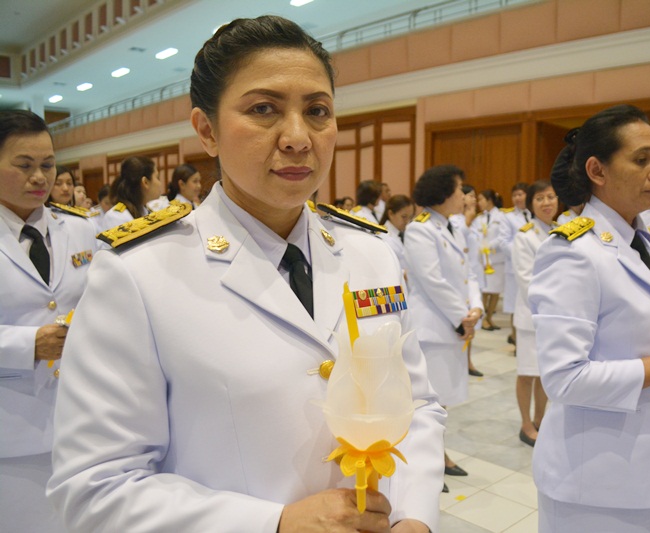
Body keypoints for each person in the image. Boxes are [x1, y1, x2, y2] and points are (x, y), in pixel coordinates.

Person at [46, 16, 445, 533]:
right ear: (207, 131)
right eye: (263, 109)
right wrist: (271, 523)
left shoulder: (371, 253)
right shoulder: (140, 275)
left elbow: (417, 406)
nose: (298, 138)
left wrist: (414, 516)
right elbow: (93, 487)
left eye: (317, 111)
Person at [529, 104, 650, 533]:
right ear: (597, 170)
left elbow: (644, 340)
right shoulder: (573, 252)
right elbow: (563, 378)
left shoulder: (645, 241)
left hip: (647, 462)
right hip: (594, 476)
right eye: (640, 160)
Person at [0, 109, 98, 533]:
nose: (39, 177)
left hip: (82, 419)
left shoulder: (81, 230)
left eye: (47, 164)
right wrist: (26, 345)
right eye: (23, 165)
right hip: (11, 430)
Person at [404, 164, 483, 491]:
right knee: (427, 403)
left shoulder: (454, 227)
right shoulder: (420, 229)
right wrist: (462, 316)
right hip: (433, 328)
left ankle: (438, 455)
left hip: (453, 324)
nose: (465, 195)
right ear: (443, 193)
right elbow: (431, 280)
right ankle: (427, 465)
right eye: (460, 189)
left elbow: (470, 273)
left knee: (442, 400)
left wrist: (475, 307)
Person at [512, 179, 557, 447]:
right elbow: (527, 280)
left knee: (544, 373)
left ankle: (540, 419)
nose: (546, 203)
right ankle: (526, 423)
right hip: (533, 314)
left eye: (550, 197)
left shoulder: (561, 231)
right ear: (531, 204)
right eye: (540, 198)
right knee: (527, 372)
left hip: (555, 315)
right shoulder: (525, 236)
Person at [450, 183, 485, 377]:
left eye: (475, 196)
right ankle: (464, 361)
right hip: (460, 277)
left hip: (474, 273)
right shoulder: (455, 220)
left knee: (474, 319)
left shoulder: (476, 219)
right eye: (470, 195)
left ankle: (468, 359)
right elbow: (458, 242)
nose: (473, 199)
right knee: (464, 320)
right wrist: (468, 221)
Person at [500, 183, 531, 346]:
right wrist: (523, 252)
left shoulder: (534, 214)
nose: (518, 198)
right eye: (515, 195)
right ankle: (515, 339)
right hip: (514, 268)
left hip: (533, 267)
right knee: (514, 304)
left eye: (521, 194)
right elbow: (504, 242)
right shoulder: (508, 217)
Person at [472, 189, 507, 330]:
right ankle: (483, 318)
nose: (478, 203)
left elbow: (503, 235)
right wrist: (481, 247)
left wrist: (489, 246)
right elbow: (475, 235)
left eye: (481, 199)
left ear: (489, 200)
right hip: (483, 259)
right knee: (485, 290)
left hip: (496, 258)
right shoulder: (478, 218)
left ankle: (489, 317)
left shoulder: (502, 216)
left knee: (495, 291)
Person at [100, 155, 163, 231]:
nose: (160, 183)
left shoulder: (145, 210)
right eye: (157, 177)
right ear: (145, 182)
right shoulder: (117, 217)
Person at [378, 193, 413, 275]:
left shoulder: (399, 234)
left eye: (410, 217)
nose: (407, 221)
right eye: (404, 217)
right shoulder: (384, 237)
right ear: (390, 214)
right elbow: (385, 269)